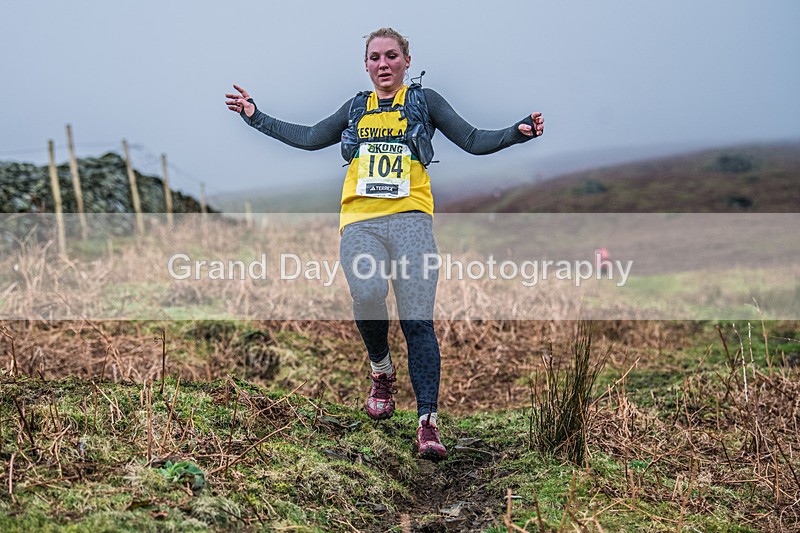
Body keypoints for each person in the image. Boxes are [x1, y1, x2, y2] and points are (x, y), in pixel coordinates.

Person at [226, 27, 544, 461]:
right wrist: (254, 115)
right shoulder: (357, 107)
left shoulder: (424, 102)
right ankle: (381, 369)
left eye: (391, 56)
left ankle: (427, 424)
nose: (383, 64)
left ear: (406, 61)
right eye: (375, 57)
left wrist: (517, 132)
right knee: (368, 291)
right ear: (366, 65)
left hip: (412, 218)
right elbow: (308, 136)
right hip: (360, 221)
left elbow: (472, 140)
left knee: (417, 322)